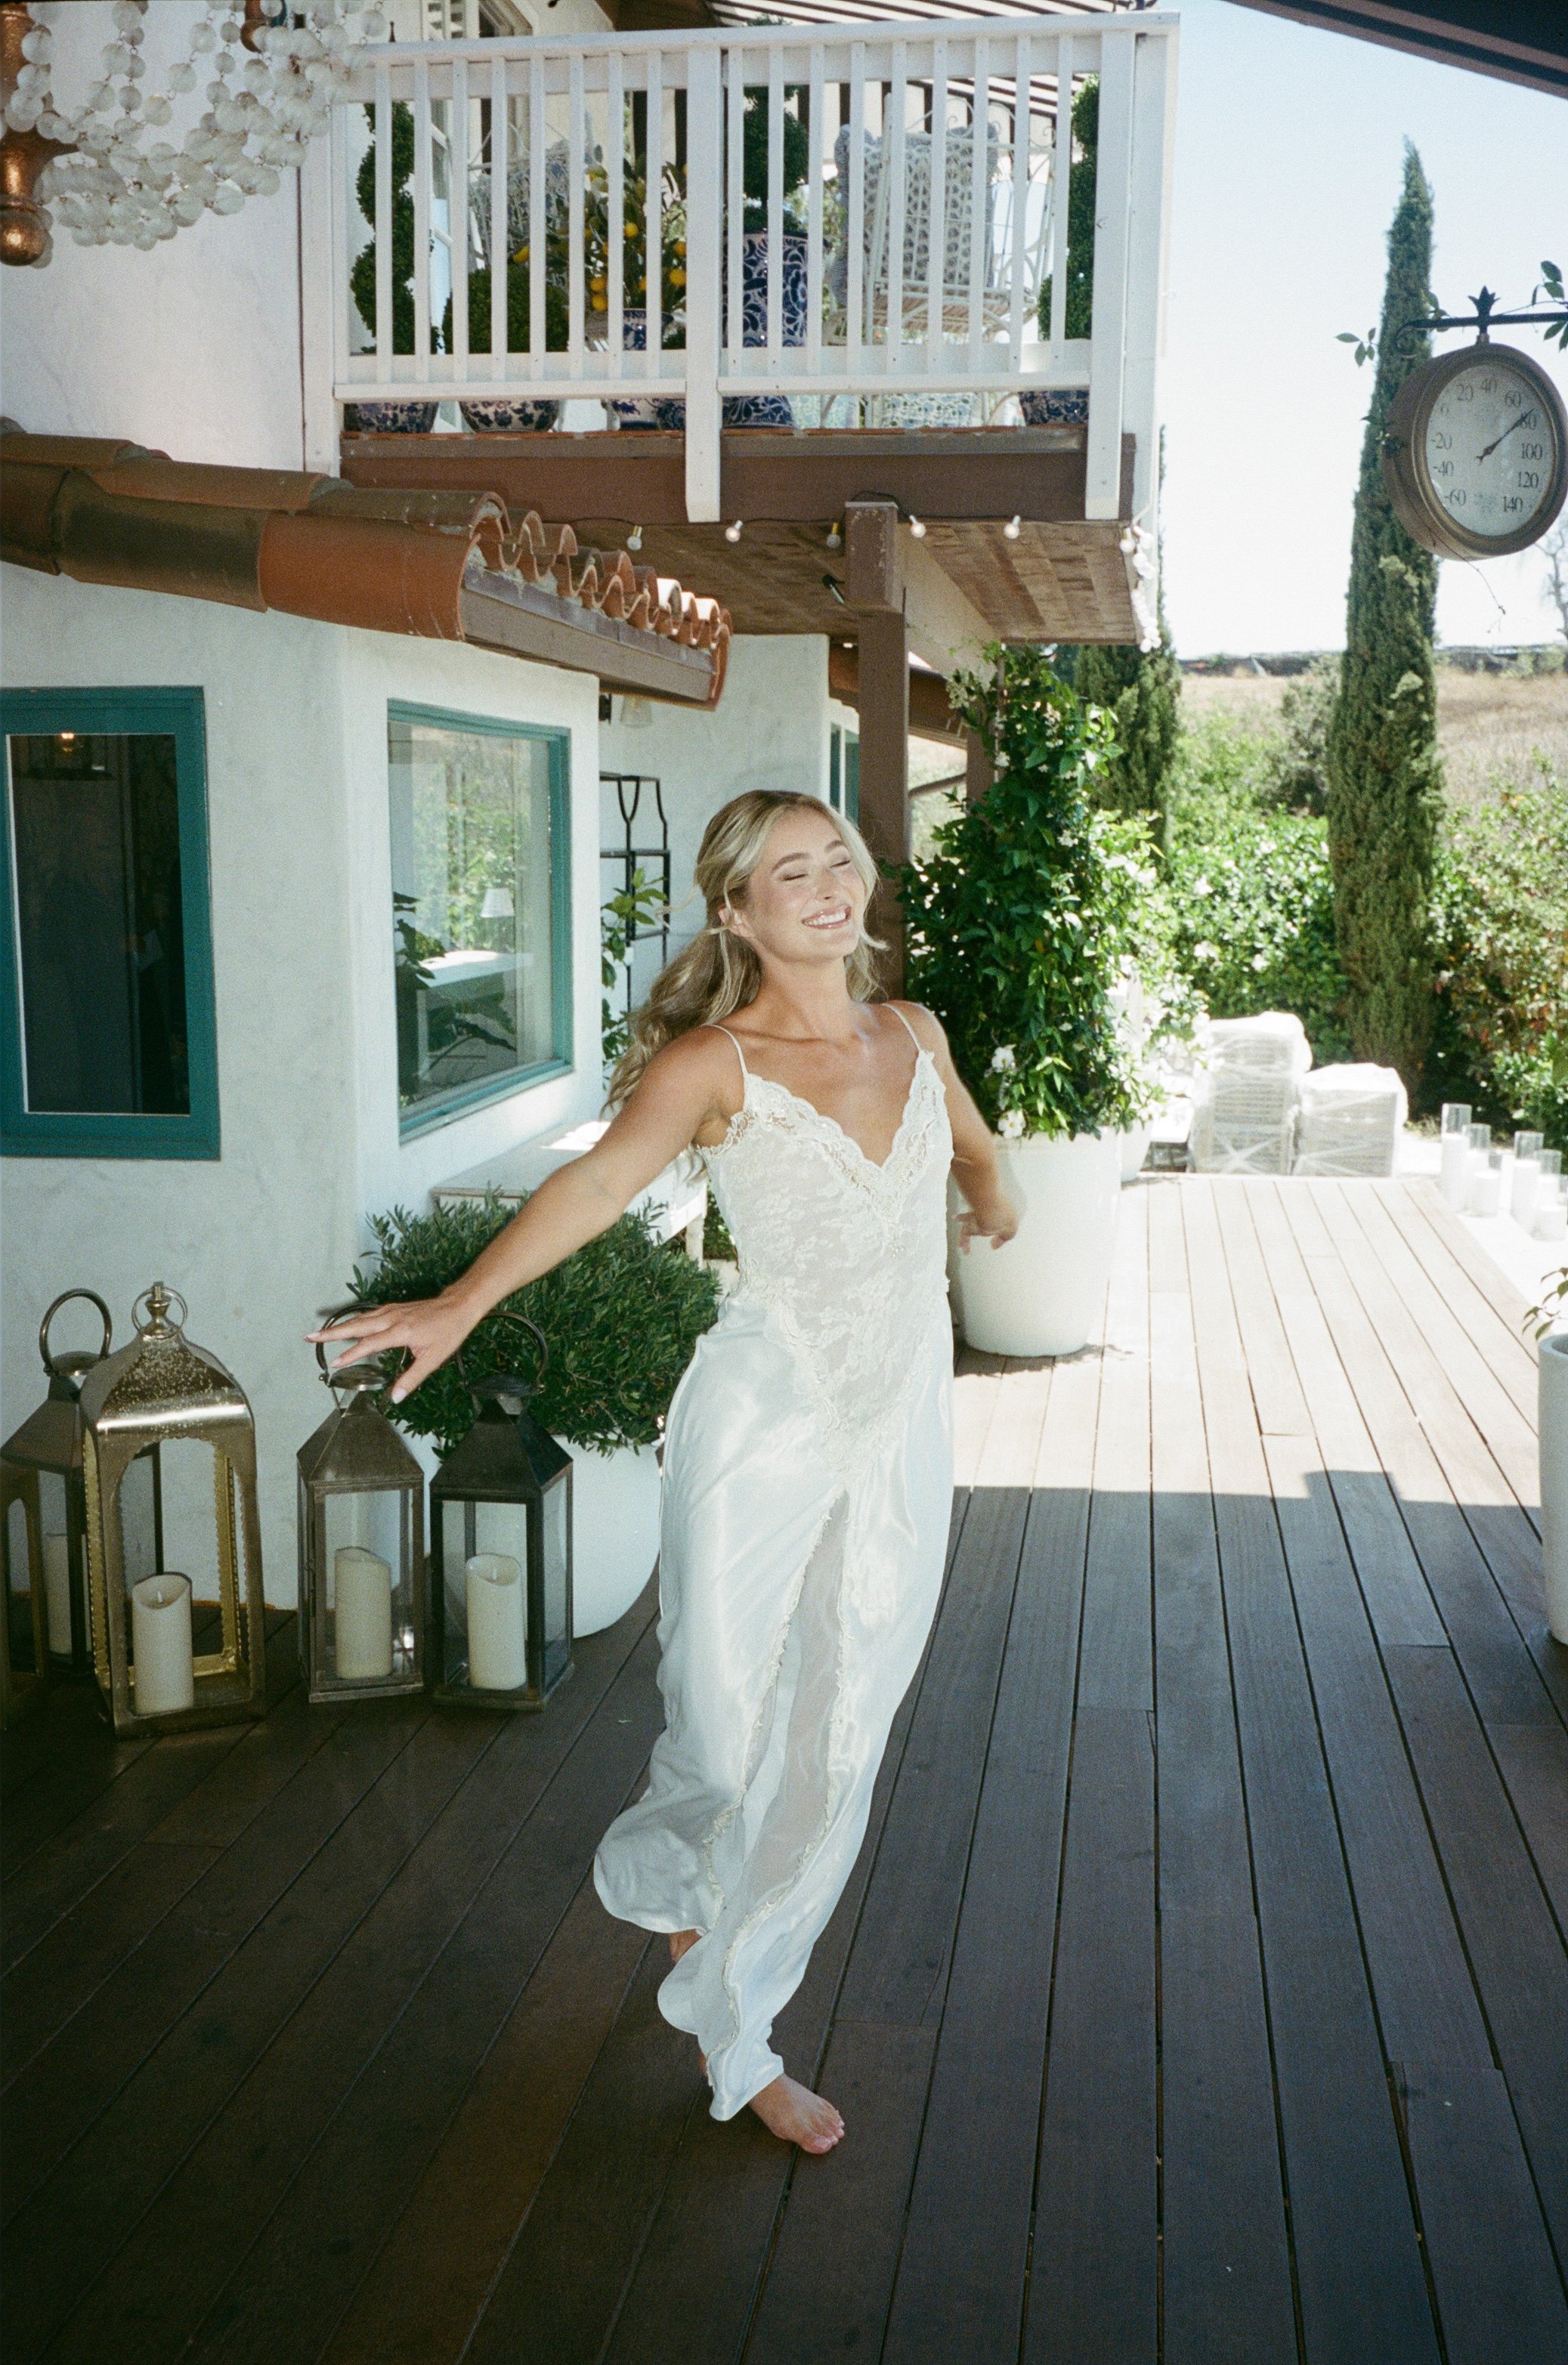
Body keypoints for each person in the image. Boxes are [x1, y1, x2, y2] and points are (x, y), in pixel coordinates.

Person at [310, 790, 1016, 2155]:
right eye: (789, 873)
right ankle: (698, 1900)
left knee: (839, 1726)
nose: (829, 885)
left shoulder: (917, 1036)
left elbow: (977, 1152)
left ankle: (733, 2021)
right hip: (760, 1426)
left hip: (899, 1433)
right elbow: (594, 1188)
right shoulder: (713, 1063)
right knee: (722, 1716)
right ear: (737, 912)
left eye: (838, 859)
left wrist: (996, 1203)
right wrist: (458, 1302)